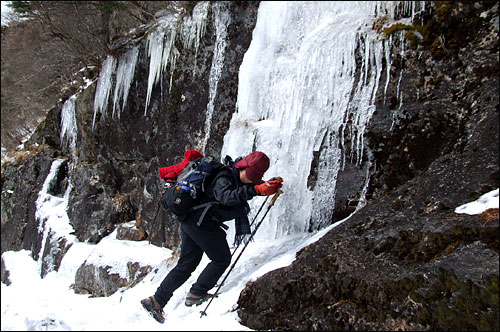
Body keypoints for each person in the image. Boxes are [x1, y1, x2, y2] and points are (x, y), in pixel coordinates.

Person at [141, 151, 283, 323]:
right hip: (200, 223)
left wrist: (265, 186)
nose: (251, 179)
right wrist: (257, 189)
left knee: (187, 264)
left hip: (192, 221)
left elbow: (245, 188)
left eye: (255, 178)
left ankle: (156, 301)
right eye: (250, 175)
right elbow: (226, 197)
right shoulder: (225, 176)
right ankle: (197, 293)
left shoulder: (235, 177)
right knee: (221, 259)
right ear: (242, 166)